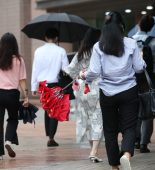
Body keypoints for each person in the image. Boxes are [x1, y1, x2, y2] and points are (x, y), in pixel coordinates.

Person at [79, 12, 146, 170]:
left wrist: (83, 75)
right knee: (129, 127)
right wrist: (143, 61)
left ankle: (114, 167)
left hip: (107, 93)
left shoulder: (98, 46)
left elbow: (94, 72)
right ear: (122, 27)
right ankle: (126, 155)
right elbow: (139, 68)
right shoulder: (131, 43)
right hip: (128, 91)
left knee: (110, 131)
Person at [64, 28, 104, 162]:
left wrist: (79, 76)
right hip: (97, 89)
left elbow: (69, 70)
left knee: (86, 121)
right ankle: (94, 151)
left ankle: (93, 152)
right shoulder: (99, 51)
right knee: (97, 120)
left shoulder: (80, 53)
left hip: (83, 91)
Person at [31, 28, 69, 147]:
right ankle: (51, 138)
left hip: (42, 85)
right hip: (54, 84)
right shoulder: (61, 51)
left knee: (47, 109)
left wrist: (33, 87)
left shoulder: (38, 51)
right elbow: (66, 69)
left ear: (46, 37)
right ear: (56, 38)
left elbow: (35, 69)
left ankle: (49, 135)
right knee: (55, 111)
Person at [132, 15, 155, 153]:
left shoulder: (129, 40)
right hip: (148, 79)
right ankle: (144, 143)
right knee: (148, 108)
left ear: (138, 24)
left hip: (132, 80)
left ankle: (136, 140)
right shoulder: (154, 41)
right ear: (150, 28)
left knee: (134, 108)